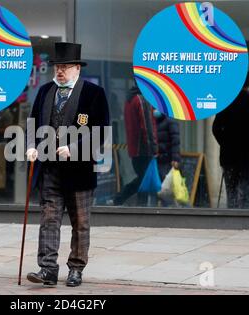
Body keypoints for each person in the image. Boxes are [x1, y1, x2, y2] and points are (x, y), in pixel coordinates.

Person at [25, 42, 110, 287]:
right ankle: (48, 269)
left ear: (77, 69)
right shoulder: (44, 91)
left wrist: (74, 148)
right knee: (48, 220)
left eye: (65, 67)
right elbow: (33, 123)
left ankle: (76, 269)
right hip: (50, 168)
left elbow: (101, 131)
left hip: (80, 171)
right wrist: (31, 146)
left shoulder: (94, 93)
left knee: (80, 223)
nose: (60, 71)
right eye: (57, 66)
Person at [212, 72, 249, 209]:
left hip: (229, 155)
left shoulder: (226, 103)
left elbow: (215, 128)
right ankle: (244, 218)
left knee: (231, 191)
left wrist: (224, 142)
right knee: (246, 190)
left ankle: (232, 218)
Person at [113, 84, 158, 206]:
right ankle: (121, 198)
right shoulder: (141, 99)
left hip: (135, 149)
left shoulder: (130, 99)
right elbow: (147, 126)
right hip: (144, 148)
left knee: (143, 179)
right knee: (143, 180)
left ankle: (139, 206)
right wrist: (153, 148)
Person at [153, 109, 181, 206]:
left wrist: (175, 159)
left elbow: (175, 141)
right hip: (157, 159)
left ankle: (167, 209)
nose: (155, 110)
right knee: (159, 187)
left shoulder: (170, 121)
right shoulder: (155, 121)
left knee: (165, 187)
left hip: (167, 159)